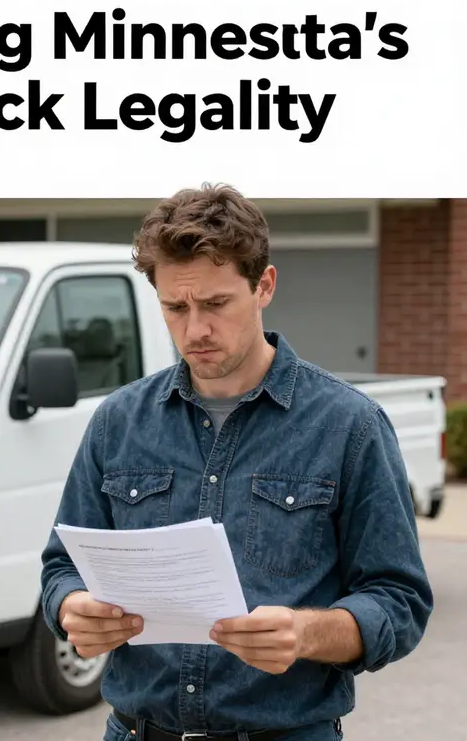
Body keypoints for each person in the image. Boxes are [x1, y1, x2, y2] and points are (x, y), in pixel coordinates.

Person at [39, 184, 434, 741]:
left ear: (263, 285)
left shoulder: (351, 426)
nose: (195, 329)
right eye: (175, 307)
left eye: (216, 303)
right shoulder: (117, 421)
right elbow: (60, 567)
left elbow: (400, 601)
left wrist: (306, 633)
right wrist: (72, 608)